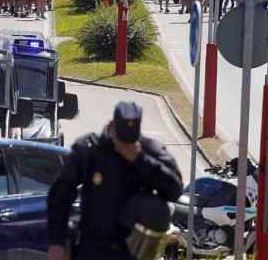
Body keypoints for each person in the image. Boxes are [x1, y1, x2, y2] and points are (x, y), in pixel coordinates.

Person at [46, 101, 183, 260]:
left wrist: (140, 159)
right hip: (93, 246)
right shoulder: (90, 149)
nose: (124, 146)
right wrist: (57, 243)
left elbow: (175, 190)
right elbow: (59, 196)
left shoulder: (148, 150)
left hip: (132, 249)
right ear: (112, 125)